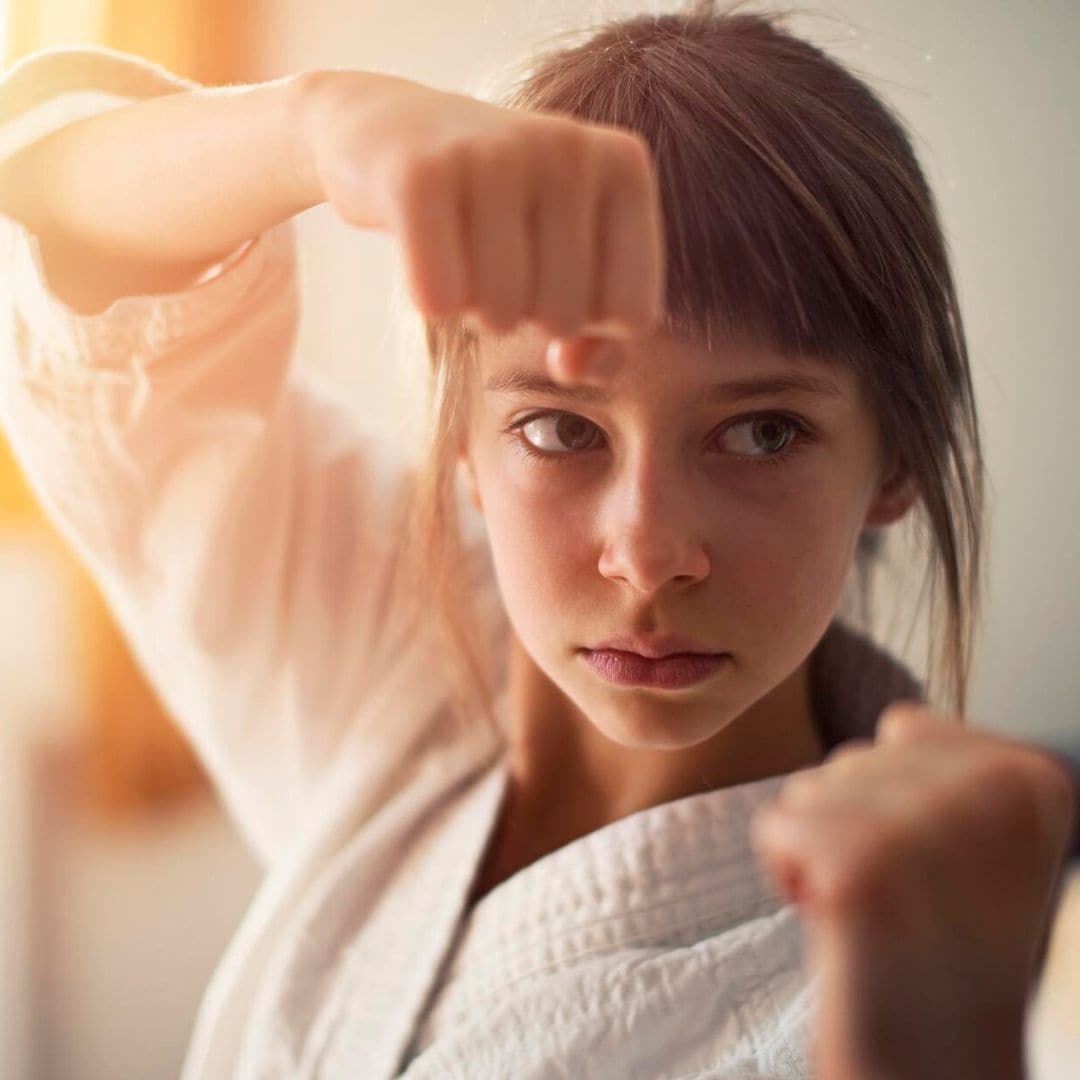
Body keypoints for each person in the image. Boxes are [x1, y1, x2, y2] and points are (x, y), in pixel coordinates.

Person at [0, 3, 1076, 1077]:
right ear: (460, 439)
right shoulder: (396, 653)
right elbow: (68, 253)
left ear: (896, 457)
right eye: (561, 430)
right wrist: (313, 129)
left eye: (763, 433)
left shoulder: (941, 973)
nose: (648, 550)